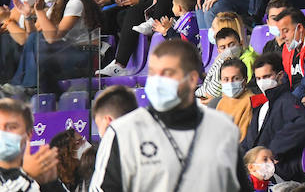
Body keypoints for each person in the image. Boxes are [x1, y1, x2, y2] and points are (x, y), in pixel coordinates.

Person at [93, 39, 245, 192]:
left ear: (192, 79)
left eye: (167, 73)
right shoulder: (123, 132)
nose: (158, 81)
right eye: (153, 73)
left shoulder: (222, 130)